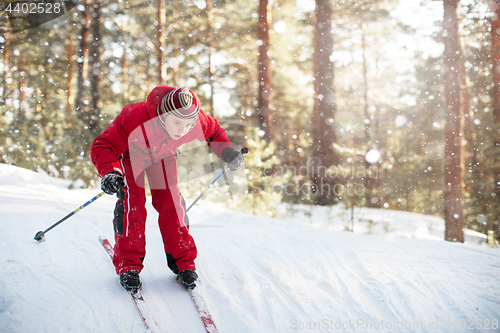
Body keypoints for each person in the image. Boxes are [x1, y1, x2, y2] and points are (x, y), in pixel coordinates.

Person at [90, 86, 244, 291]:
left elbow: (214, 132)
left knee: (172, 204)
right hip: (130, 156)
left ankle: (184, 263)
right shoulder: (134, 117)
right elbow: (103, 144)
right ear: (163, 116)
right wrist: (110, 171)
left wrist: (227, 153)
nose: (182, 130)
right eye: (177, 122)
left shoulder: (194, 122)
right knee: (132, 204)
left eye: (188, 125)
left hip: (163, 155)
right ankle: (128, 265)